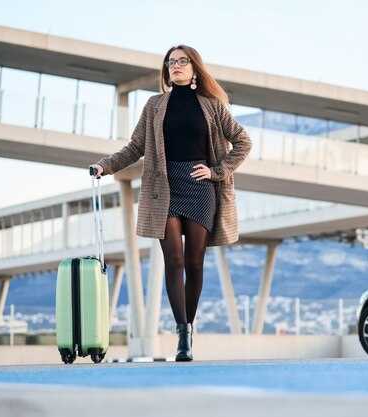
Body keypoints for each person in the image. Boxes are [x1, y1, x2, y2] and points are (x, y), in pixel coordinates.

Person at [90, 44, 252, 361]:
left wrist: (218, 171)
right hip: (164, 188)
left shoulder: (212, 105)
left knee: (194, 262)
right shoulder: (154, 105)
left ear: (194, 67)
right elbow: (135, 146)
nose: (175, 65)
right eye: (170, 62)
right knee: (174, 260)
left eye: (182, 61)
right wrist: (104, 166)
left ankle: (190, 326)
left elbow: (243, 142)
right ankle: (182, 333)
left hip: (200, 187)